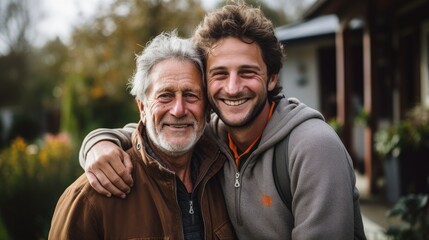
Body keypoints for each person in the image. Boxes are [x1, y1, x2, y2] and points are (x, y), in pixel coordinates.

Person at [79, 3, 367, 239]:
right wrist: (98, 142)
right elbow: (159, 128)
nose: (232, 88)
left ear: (273, 77)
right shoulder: (214, 137)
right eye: (219, 74)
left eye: (247, 72)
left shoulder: (312, 148)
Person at [49, 31, 236, 240]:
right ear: (142, 109)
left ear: (207, 109)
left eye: (191, 95)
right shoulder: (89, 198)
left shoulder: (224, 173)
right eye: (165, 95)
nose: (179, 110)